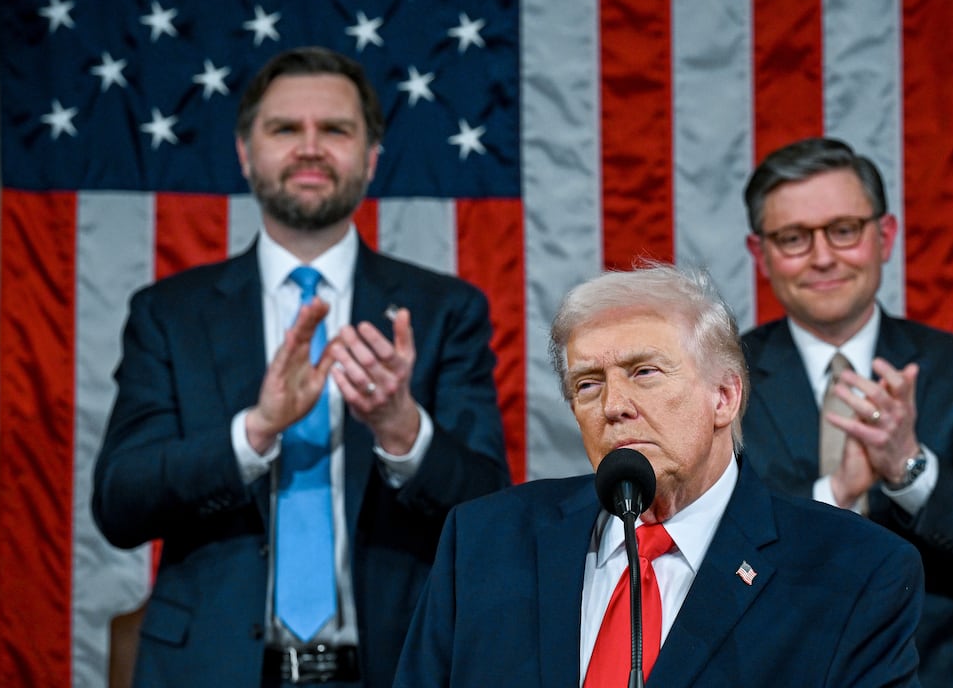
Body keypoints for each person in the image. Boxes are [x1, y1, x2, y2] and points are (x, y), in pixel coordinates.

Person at [90, 46, 510, 687]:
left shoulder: (444, 310)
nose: (310, 147)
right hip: (212, 669)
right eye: (285, 129)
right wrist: (253, 431)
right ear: (245, 152)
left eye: (335, 130)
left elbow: (491, 509)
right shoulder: (170, 314)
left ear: (370, 158)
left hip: (395, 666)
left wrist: (402, 430)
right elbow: (120, 504)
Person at [392, 262, 924, 688]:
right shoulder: (484, 541)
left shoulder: (855, 570)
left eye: (644, 372)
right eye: (587, 384)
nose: (614, 405)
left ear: (725, 396)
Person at [740, 136, 953, 687]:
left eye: (844, 230)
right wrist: (837, 492)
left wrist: (908, 467)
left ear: (885, 236)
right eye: (794, 238)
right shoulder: (723, 380)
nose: (823, 256)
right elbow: (709, 549)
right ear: (761, 255)